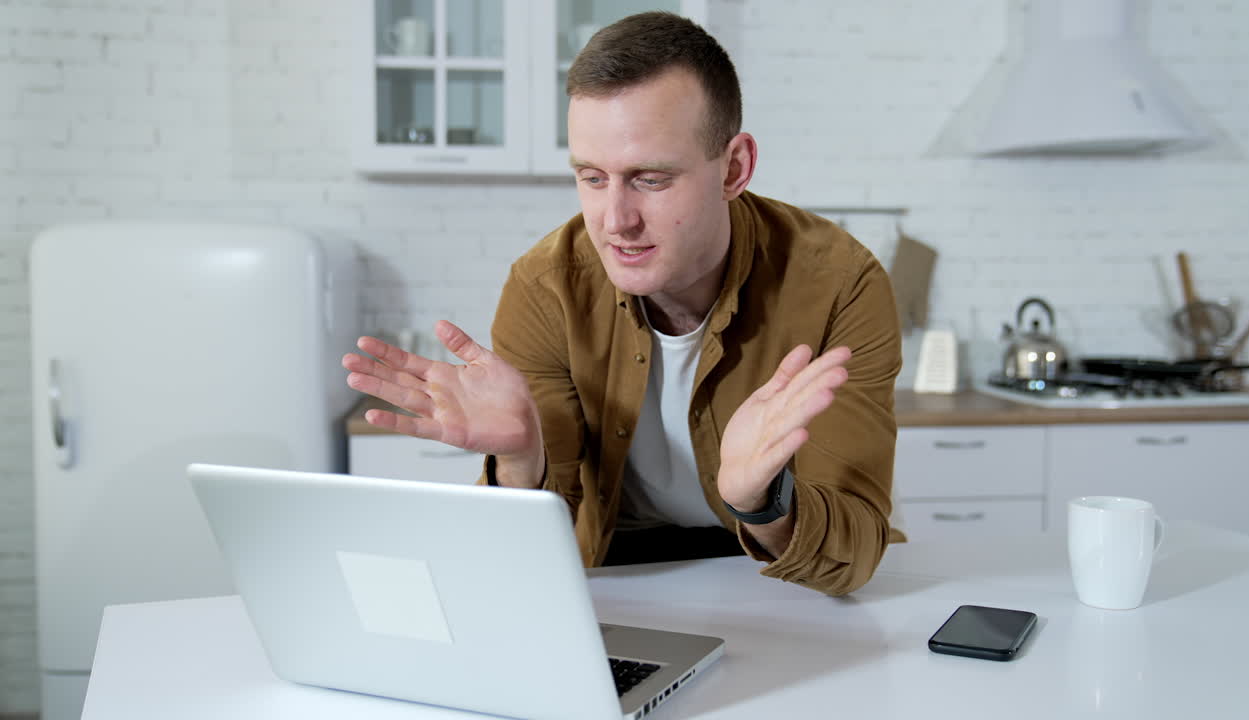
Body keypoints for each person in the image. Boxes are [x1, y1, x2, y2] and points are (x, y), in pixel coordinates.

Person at [342, 11, 902, 597]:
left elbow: (855, 554)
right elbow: (530, 556)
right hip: (619, 568)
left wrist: (762, 502)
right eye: (591, 176)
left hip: (774, 570)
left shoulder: (841, 283)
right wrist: (519, 465)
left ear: (734, 167)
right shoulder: (546, 287)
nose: (616, 222)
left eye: (652, 179)